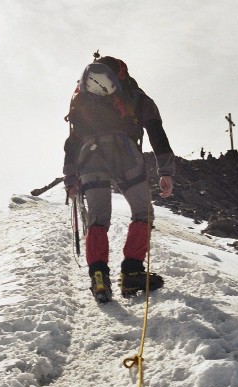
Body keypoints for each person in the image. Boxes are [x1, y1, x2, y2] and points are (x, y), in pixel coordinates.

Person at [63, 54, 175, 302]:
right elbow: (156, 132)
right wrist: (165, 171)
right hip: (125, 153)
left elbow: (73, 141)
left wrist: (70, 176)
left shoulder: (81, 98)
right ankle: (133, 271)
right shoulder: (135, 95)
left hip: (89, 156)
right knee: (142, 212)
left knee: (99, 217)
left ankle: (99, 277)